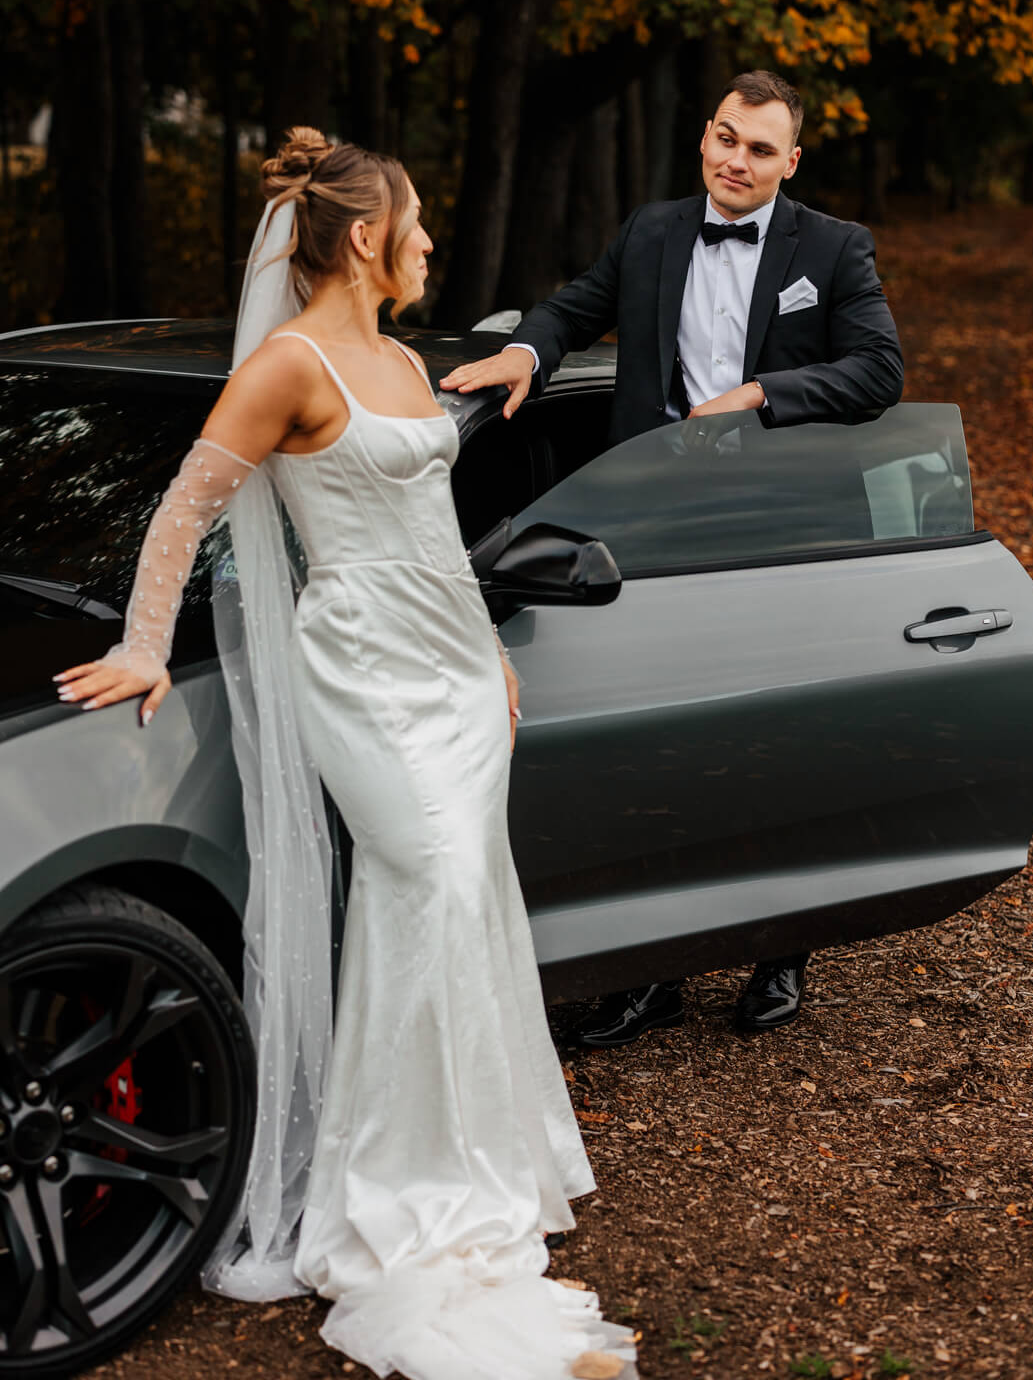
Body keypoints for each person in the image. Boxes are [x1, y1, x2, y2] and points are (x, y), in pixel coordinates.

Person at [56, 130, 637, 1380]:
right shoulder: (291, 362)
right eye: (417, 223)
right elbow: (187, 503)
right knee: (421, 878)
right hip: (362, 673)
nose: (429, 241)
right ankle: (391, 1190)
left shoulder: (400, 355)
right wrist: (149, 644)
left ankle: (468, 1161)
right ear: (366, 236)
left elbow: (433, 522)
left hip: (453, 677)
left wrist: (489, 652)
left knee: (459, 899)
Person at [440, 69, 904, 1050]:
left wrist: (758, 395)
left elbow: (876, 368)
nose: (735, 160)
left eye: (758, 148)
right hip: (648, 521)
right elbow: (570, 309)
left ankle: (780, 945)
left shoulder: (831, 248)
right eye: (724, 138)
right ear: (703, 136)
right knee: (650, 735)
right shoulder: (651, 230)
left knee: (771, 733)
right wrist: (524, 354)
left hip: (770, 530)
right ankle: (646, 971)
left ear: (790, 160)